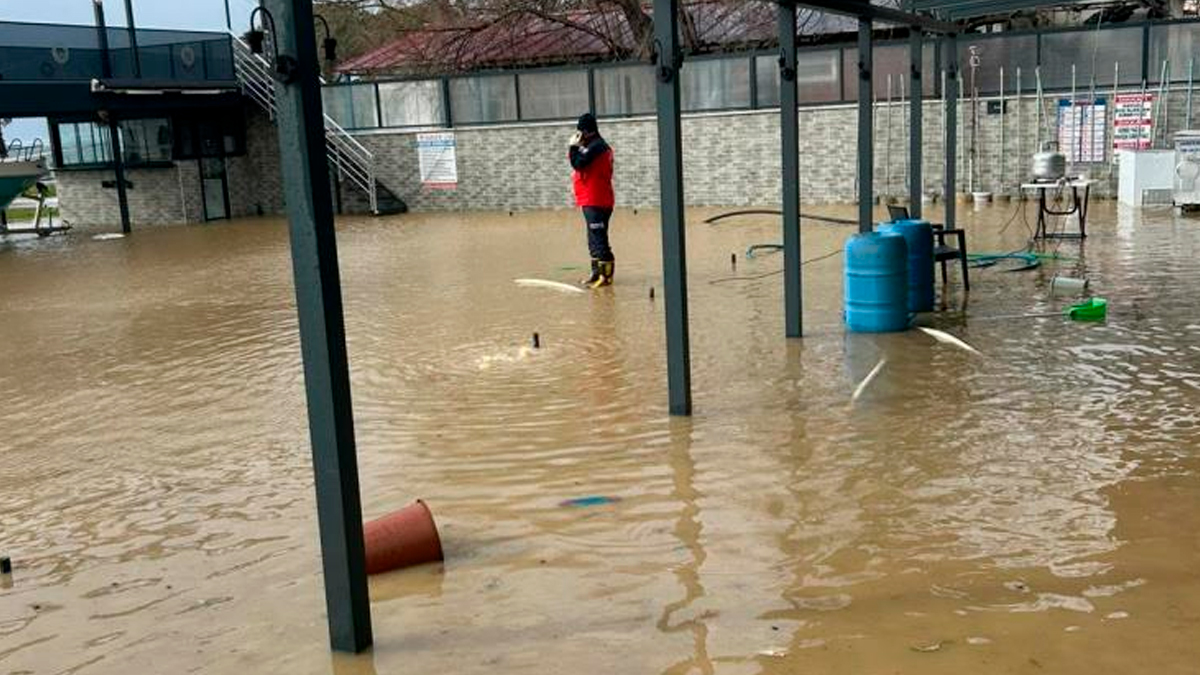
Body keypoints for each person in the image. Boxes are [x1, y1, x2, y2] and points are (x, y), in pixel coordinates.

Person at [569, 113, 615, 288]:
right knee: (593, 239)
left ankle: (606, 278)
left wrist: (572, 147)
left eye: (580, 131)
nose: (578, 135)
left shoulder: (597, 147)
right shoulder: (593, 146)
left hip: (597, 199)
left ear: (587, 131)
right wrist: (579, 147)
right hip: (591, 199)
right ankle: (596, 274)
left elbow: (578, 164)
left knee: (599, 238)